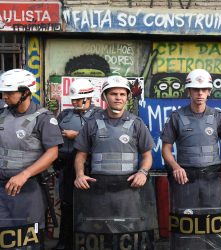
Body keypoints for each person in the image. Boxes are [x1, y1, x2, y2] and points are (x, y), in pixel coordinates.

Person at [73, 75, 157, 249]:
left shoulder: (137, 123)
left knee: (129, 233)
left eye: (122, 94)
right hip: (98, 191)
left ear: (127, 97)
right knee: (101, 234)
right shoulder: (92, 124)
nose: (118, 97)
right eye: (113, 94)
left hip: (129, 191)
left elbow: (148, 155)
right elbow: (81, 155)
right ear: (105, 97)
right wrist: (80, 175)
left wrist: (142, 173)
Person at [161, 69, 221, 249]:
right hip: (186, 179)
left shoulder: (217, 116)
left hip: (212, 178)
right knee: (188, 221)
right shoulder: (177, 116)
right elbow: (166, 149)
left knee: (211, 220)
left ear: (209, 91)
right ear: (188, 91)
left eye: (204, 89)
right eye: (195, 89)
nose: (200, 93)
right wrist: (175, 167)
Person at [0, 69, 63, 249]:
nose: (4, 96)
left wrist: (24, 175)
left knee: (30, 236)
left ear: (26, 92)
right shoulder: (2, 114)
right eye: (3, 92)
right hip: (2, 189)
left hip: (29, 189)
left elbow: (52, 153)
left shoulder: (43, 118)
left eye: (9, 92)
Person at [53, 78, 101, 250]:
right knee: (67, 204)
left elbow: (102, 138)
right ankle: (64, 243)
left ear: (87, 97)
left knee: (89, 205)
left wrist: (77, 135)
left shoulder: (99, 115)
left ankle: (87, 242)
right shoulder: (65, 114)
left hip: (89, 166)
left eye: (77, 99)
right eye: (72, 99)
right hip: (66, 166)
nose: (74, 102)